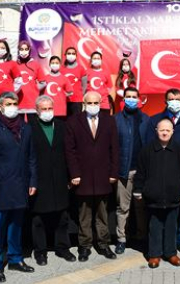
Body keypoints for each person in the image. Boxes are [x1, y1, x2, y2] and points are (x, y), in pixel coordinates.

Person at [0, 92, 37, 282]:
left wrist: (33, 181)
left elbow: (31, 157)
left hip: (21, 185)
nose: (13, 106)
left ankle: (15, 258)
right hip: (1, 186)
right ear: (0, 107)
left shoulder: (25, 128)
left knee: (16, 226)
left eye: (15, 103)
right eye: (8, 103)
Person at [64, 91, 119, 262]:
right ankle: (85, 246)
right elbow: (69, 151)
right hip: (83, 177)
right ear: (84, 104)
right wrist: (74, 174)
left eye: (96, 103)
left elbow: (114, 149)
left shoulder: (109, 121)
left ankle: (103, 244)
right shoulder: (73, 121)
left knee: (102, 213)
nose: (93, 106)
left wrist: (113, 173)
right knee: (84, 214)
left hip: (103, 176)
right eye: (90, 103)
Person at [145, 88, 180, 256]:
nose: (174, 101)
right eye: (170, 99)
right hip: (161, 174)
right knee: (161, 213)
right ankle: (160, 245)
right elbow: (149, 148)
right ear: (165, 101)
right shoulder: (155, 120)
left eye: (177, 99)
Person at [134, 118, 180, 269]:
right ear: (156, 131)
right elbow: (140, 173)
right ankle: (154, 254)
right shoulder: (147, 150)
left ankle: (170, 253)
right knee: (154, 227)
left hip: (173, 196)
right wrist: (138, 190)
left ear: (173, 131)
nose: (165, 132)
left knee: (172, 226)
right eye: (162, 130)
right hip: (153, 197)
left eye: (168, 130)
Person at [28, 96, 76, 266]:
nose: (47, 112)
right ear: (37, 110)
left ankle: (62, 248)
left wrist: (71, 175)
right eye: (44, 109)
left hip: (60, 179)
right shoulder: (29, 128)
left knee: (62, 217)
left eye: (50, 108)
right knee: (39, 219)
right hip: (40, 180)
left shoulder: (62, 126)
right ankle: (40, 252)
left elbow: (70, 153)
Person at [114, 87, 150, 254]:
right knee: (123, 207)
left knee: (141, 207)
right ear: (123, 99)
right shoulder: (116, 120)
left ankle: (142, 237)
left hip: (142, 172)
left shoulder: (146, 120)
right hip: (124, 171)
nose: (131, 99)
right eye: (128, 96)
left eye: (134, 97)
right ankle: (121, 239)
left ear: (139, 99)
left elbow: (150, 146)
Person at [16, 40, 45, 121]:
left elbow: (43, 82)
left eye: (26, 49)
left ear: (29, 50)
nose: (23, 51)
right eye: (21, 49)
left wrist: (35, 89)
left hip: (31, 102)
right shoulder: (14, 64)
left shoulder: (35, 64)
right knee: (19, 128)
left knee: (33, 127)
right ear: (18, 50)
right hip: (17, 102)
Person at [61, 46, 87, 116]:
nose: (71, 55)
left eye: (73, 53)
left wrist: (82, 96)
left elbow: (84, 86)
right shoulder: (61, 69)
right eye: (69, 53)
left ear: (76, 55)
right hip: (64, 100)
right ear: (65, 55)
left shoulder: (81, 68)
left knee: (76, 121)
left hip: (77, 100)